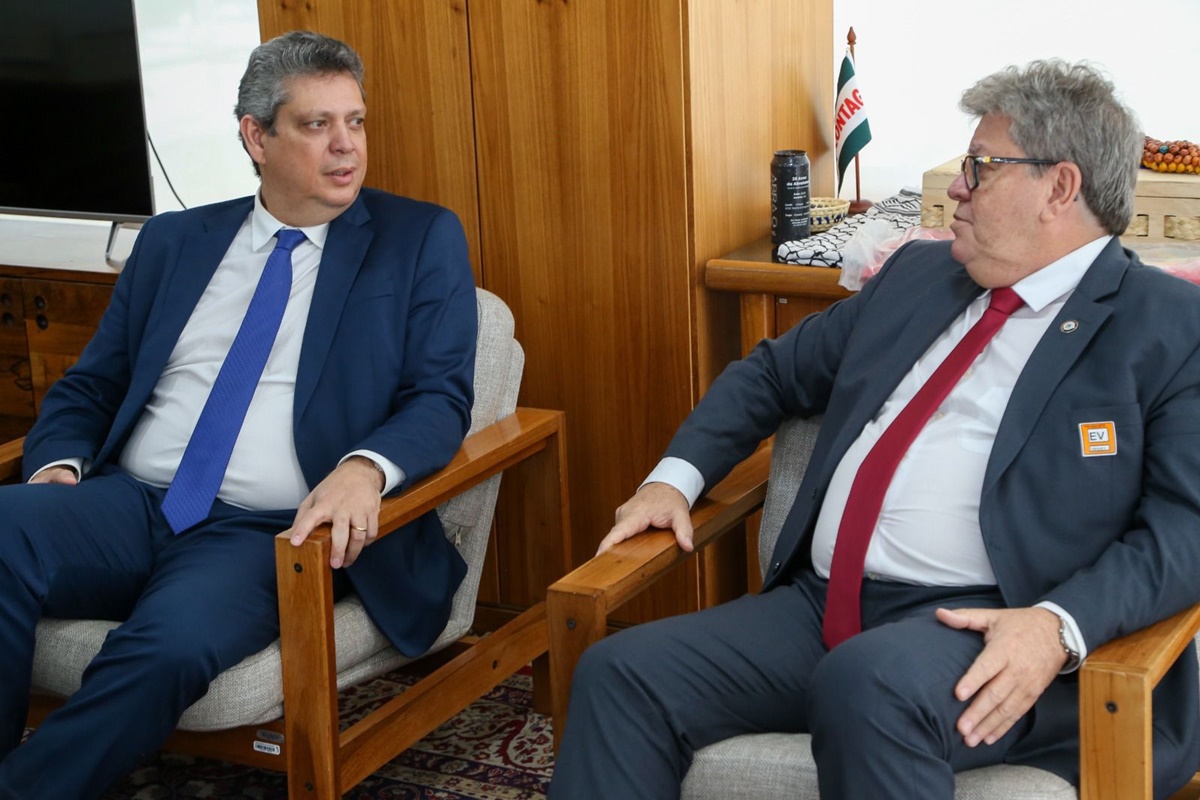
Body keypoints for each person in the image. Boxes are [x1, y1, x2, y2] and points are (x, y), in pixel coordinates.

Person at [550, 59, 1200, 799]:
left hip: (997, 629)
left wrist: (1057, 624)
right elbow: (772, 373)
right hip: (822, 607)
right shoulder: (917, 277)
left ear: (1060, 188)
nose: (958, 187)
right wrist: (674, 479)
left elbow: (1187, 526)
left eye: (980, 167)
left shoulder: (1168, 325)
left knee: (869, 685)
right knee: (621, 673)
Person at [0, 30, 477, 797]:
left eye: (355, 121)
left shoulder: (417, 238)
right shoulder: (175, 240)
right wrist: (57, 469)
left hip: (267, 531)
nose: (346, 145)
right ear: (257, 137)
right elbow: (92, 384)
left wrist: (364, 470)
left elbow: (439, 396)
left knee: (169, 646)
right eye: (317, 124)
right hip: (128, 502)